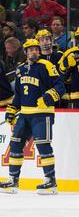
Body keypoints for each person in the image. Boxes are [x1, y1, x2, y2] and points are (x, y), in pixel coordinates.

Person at [0, 39, 65, 194]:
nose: (34, 52)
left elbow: (60, 86)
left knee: (43, 146)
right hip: (24, 115)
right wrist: (11, 110)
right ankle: (13, 181)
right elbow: (19, 95)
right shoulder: (20, 69)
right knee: (15, 145)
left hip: (42, 115)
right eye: (31, 50)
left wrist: (48, 97)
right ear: (26, 52)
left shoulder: (47, 66)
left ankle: (51, 182)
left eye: (36, 49)